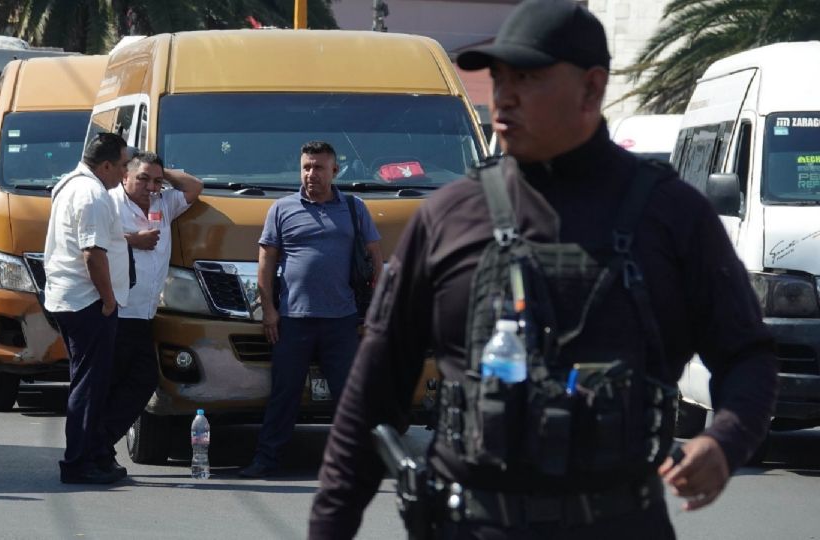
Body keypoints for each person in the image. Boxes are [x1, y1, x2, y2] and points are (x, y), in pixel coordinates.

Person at [308, 0, 778, 538]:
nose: (503, 94)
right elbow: (371, 398)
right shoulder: (448, 217)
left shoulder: (673, 217)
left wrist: (725, 439)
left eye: (527, 77)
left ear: (591, 88)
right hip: (471, 523)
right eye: (499, 76)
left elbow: (749, 356)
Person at [239, 140, 383, 479]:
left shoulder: (353, 207)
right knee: (284, 395)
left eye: (318, 167)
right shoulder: (282, 209)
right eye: (306, 167)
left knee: (349, 399)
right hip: (293, 320)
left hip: (342, 320)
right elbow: (266, 261)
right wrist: (269, 310)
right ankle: (267, 460)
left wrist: (374, 307)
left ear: (334, 170)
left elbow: (375, 256)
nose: (311, 174)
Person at [104, 151, 203, 474]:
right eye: (142, 178)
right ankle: (98, 447)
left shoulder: (164, 202)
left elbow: (194, 187)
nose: (149, 186)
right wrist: (134, 240)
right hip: (116, 309)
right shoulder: (109, 202)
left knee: (143, 381)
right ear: (124, 176)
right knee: (114, 383)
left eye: (155, 180)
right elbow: (90, 241)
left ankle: (101, 443)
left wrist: (164, 175)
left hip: (146, 312)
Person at [44, 132, 131, 485]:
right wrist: (109, 299)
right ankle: (78, 463)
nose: (125, 174)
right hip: (87, 301)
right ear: (106, 165)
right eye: (123, 166)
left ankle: (91, 456)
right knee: (89, 384)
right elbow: (92, 254)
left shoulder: (71, 184)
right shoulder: (92, 193)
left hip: (73, 298)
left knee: (89, 381)